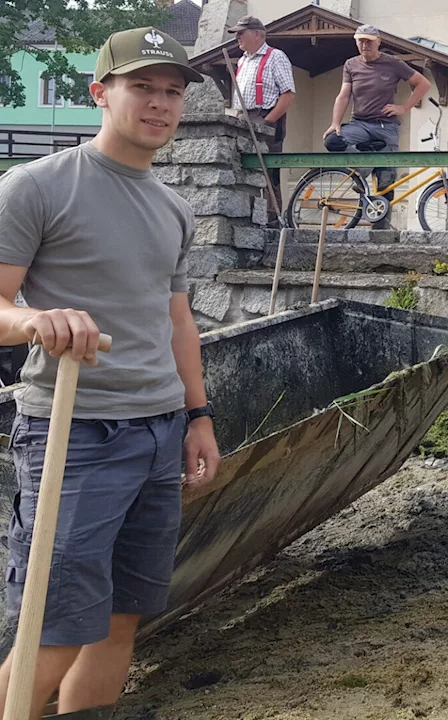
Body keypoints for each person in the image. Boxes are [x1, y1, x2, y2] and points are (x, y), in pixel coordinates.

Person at [0, 27, 220, 718]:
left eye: (172, 92)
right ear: (101, 93)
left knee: (122, 619)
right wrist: (34, 321)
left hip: (158, 432)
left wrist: (197, 416)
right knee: (57, 627)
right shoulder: (36, 187)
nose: (160, 104)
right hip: (75, 436)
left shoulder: (173, 206)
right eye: (142, 88)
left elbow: (176, 320)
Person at [324, 24, 432, 229]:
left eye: (369, 41)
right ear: (356, 42)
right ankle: (363, 169)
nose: (364, 45)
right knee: (332, 141)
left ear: (378, 42)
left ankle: (380, 229)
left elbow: (423, 83)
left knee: (385, 181)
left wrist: (404, 107)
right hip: (360, 124)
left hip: (386, 127)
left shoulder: (393, 63)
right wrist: (335, 123)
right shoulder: (351, 64)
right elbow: (344, 95)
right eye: (360, 41)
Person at [226, 15, 295, 216]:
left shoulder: (276, 57)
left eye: (241, 33)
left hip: (265, 117)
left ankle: (273, 219)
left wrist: (267, 122)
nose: (237, 38)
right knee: (243, 171)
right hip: (242, 118)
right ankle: (246, 216)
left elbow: (288, 95)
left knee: (268, 173)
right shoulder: (242, 60)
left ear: (257, 34)